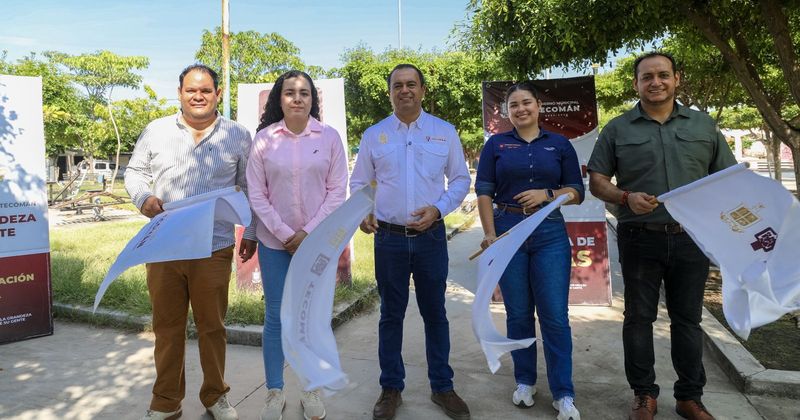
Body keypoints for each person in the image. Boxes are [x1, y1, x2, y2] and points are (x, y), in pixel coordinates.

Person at [587, 52, 736, 420]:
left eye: (663, 75)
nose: (656, 82)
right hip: (640, 236)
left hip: (692, 238)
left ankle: (689, 397)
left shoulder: (704, 127)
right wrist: (625, 197)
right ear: (636, 84)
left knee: (688, 320)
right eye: (647, 77)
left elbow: (728, 179)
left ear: (676, 79)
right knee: (639, 318)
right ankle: (643, 394)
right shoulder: (618, 129)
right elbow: (597, 181)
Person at [125, 64, 257, 420]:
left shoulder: (238, 135)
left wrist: (253, 232)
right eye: (190, 90)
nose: (198, 96)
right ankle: (166, 402)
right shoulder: (156, 131)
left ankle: (215, 396)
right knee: (167, 328)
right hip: (165, 246)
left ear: (217, 93)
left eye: (205, 90)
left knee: (213, 327)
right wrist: (143, 199)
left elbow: (251, 187)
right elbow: (134, 172)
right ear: (180, 93)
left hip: (213, 248)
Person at [350, 64, 471, 420]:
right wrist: (365, 209)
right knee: (391, 315)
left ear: (422, 90)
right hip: (389, 239)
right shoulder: (374, 135)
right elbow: (360, 183)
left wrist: (439, 209)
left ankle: (443, 386)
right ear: (389, 92)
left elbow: (461, 180)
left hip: (431, 237)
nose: (405, 90)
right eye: (398, 85)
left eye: (411, 84)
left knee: (435, 313)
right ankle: (391, 387)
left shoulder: (444, 132)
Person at [475, 81, 584, 420]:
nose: (520, 109)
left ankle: (563, 393)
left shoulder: (560, 144)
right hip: (508, 230)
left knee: (554, 316)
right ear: (506, 112)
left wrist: (547, 195)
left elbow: (577, 191)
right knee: (519, 313)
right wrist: (491, 234)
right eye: (513, 105)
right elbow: (483, 192)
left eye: (526, 103)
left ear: (538, 107)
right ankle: (524, 381)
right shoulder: (496, 144)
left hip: (548, 231)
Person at [245, 70, 348, 420]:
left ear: (312, 99)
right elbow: (256, 194)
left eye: (304, 92)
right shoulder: (263, 140)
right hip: (276, 245)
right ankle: (275, 391)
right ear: (279, 98)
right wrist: (285, 233)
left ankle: (310, 388)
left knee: (312, 317)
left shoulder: (329, 137)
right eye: (290, 92)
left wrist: (308, 233)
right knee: (276, 316)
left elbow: (338, 191)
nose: (298, 98)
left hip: (317, 245)